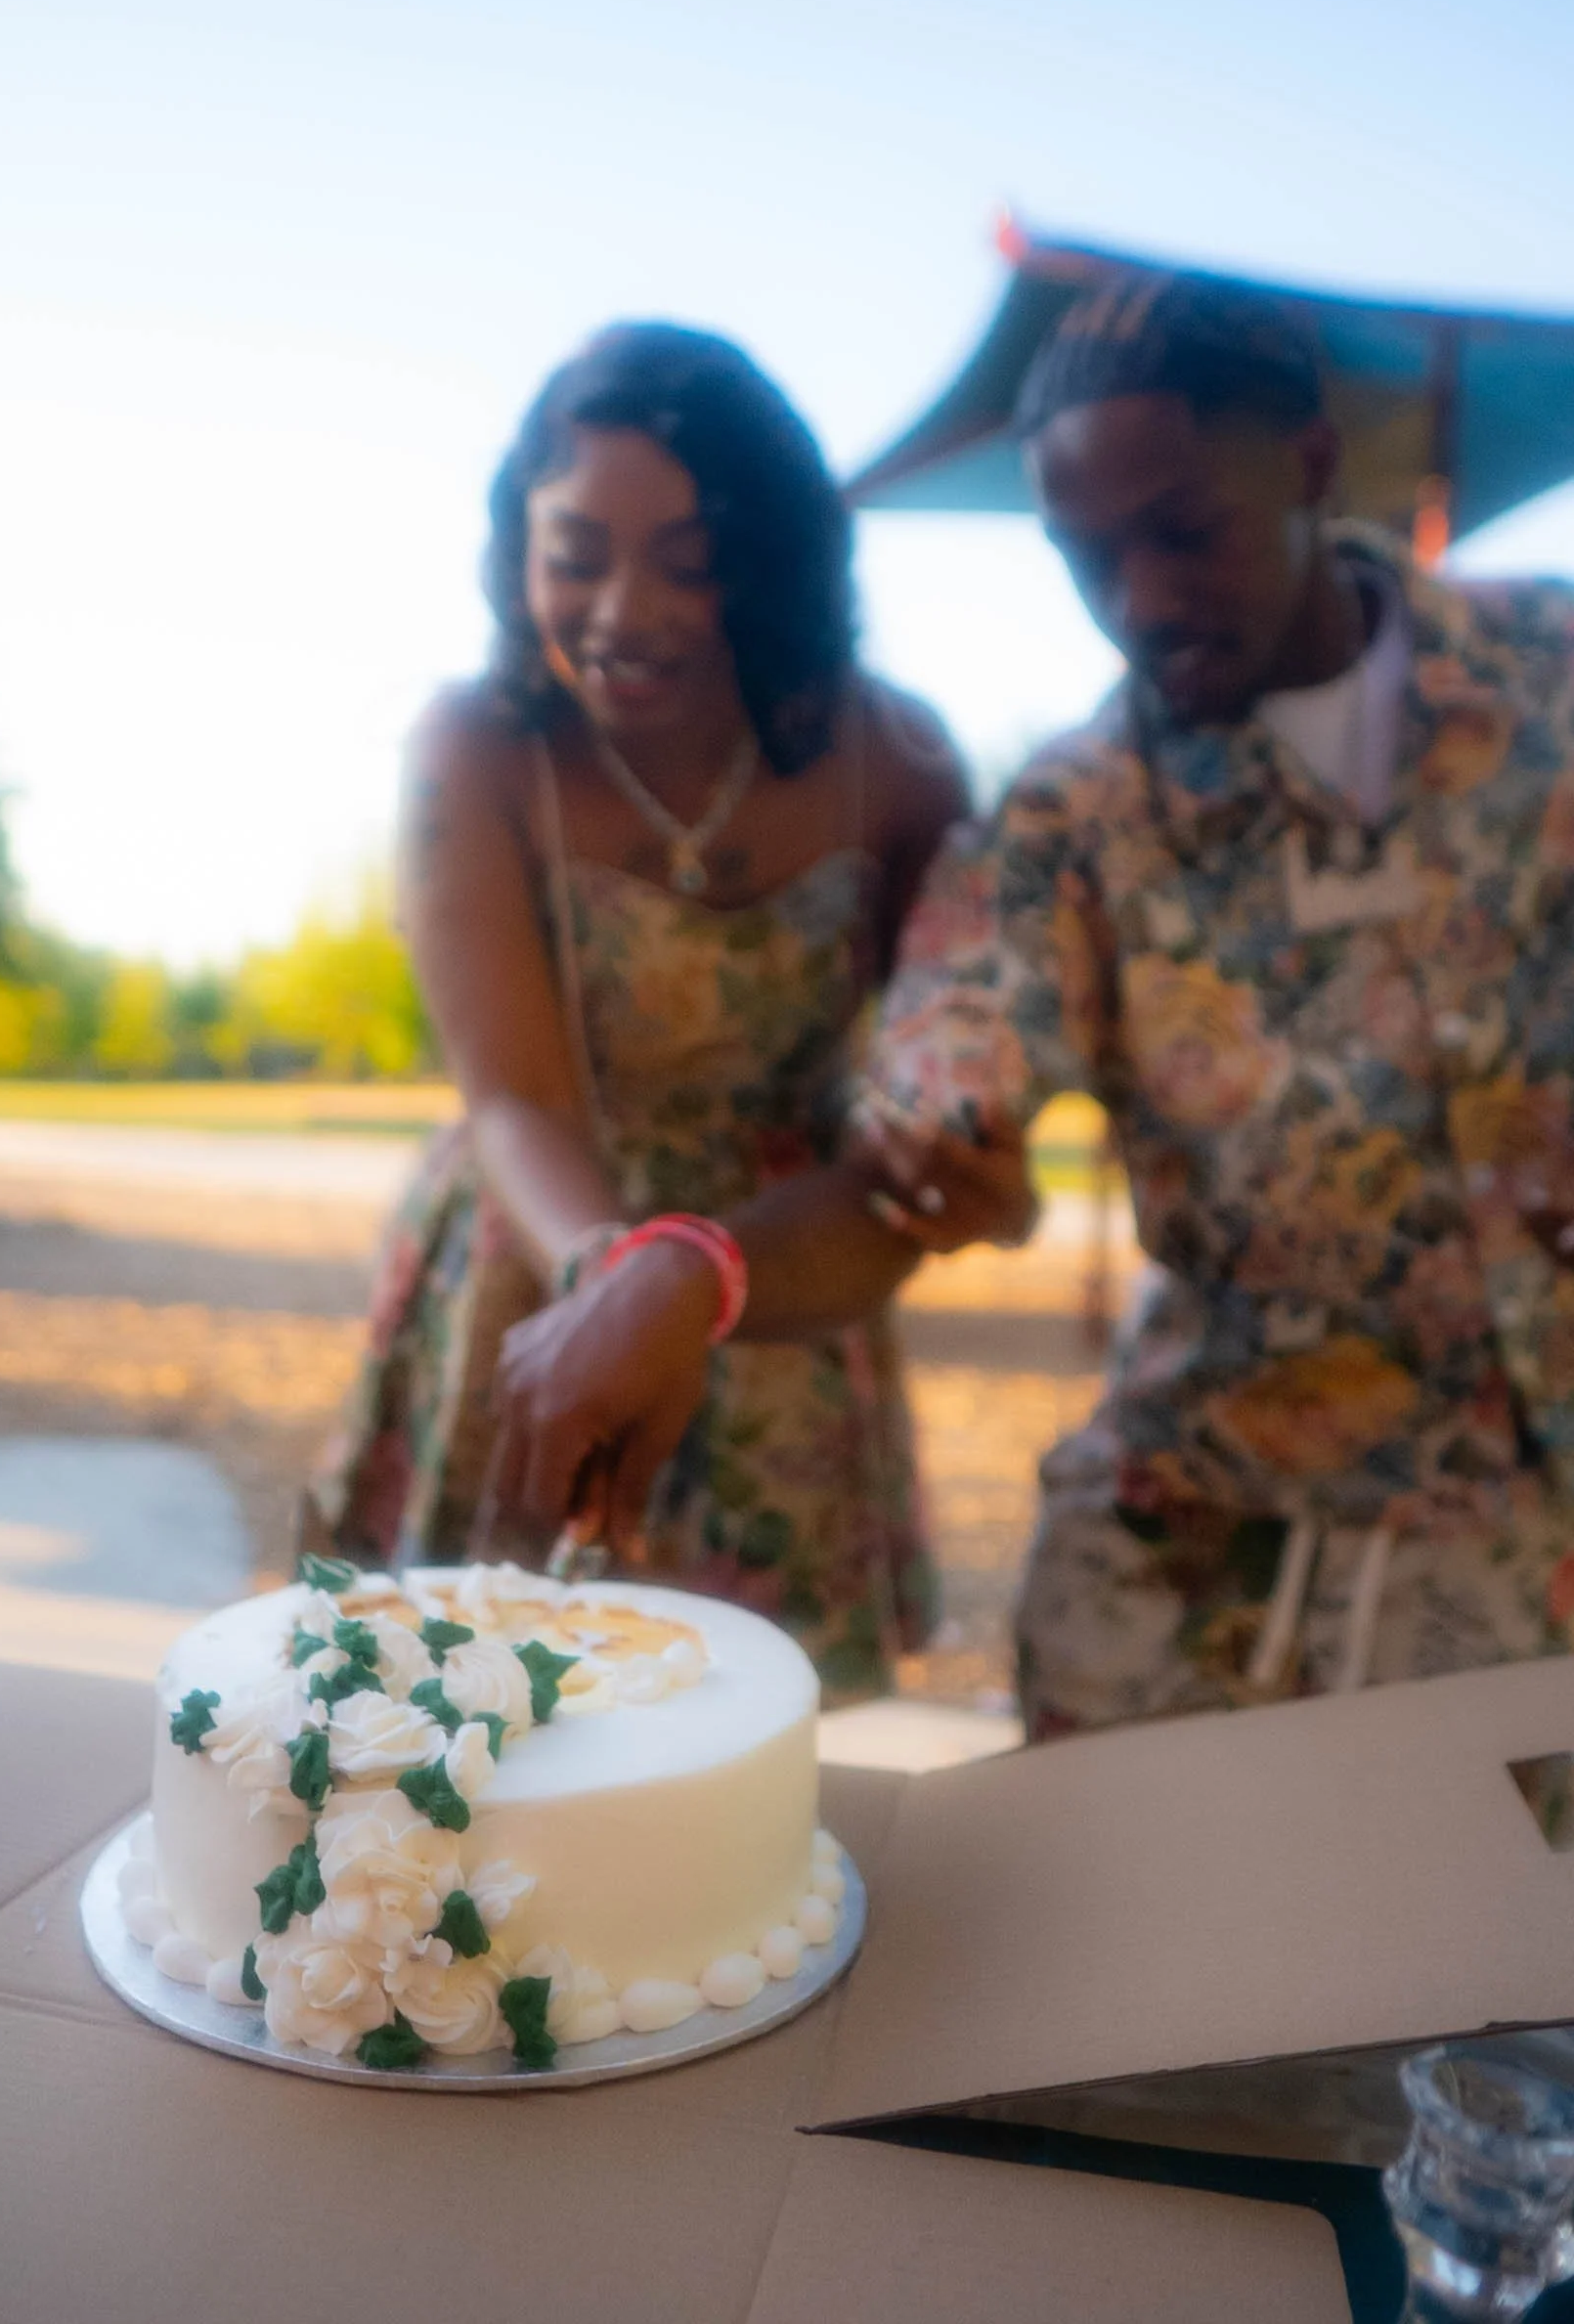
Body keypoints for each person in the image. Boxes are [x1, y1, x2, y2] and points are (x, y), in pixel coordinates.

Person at [494, 274, 1574, 1736]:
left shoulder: (1550, 687)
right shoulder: (1073, 821)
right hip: (1196, 1575)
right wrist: (685, 1272)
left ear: (1311, 464)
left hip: (1535, 1567)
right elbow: (911, 1156)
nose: (1140, 600)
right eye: (1086, 553)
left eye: (1184, 531)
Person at [300, 321, 1031, 1700]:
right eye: (575, 555)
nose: (624, 612)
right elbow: (515, 1097)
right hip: (545, 1256)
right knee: (479, 1718)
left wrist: (970, 1158)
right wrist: (613, 1283)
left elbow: (944, 1069)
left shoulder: (901, 761)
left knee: (745, 1758)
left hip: (782, 1279)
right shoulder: (480, 747)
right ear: (519, 545)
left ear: (776, 567)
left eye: (690, 566)